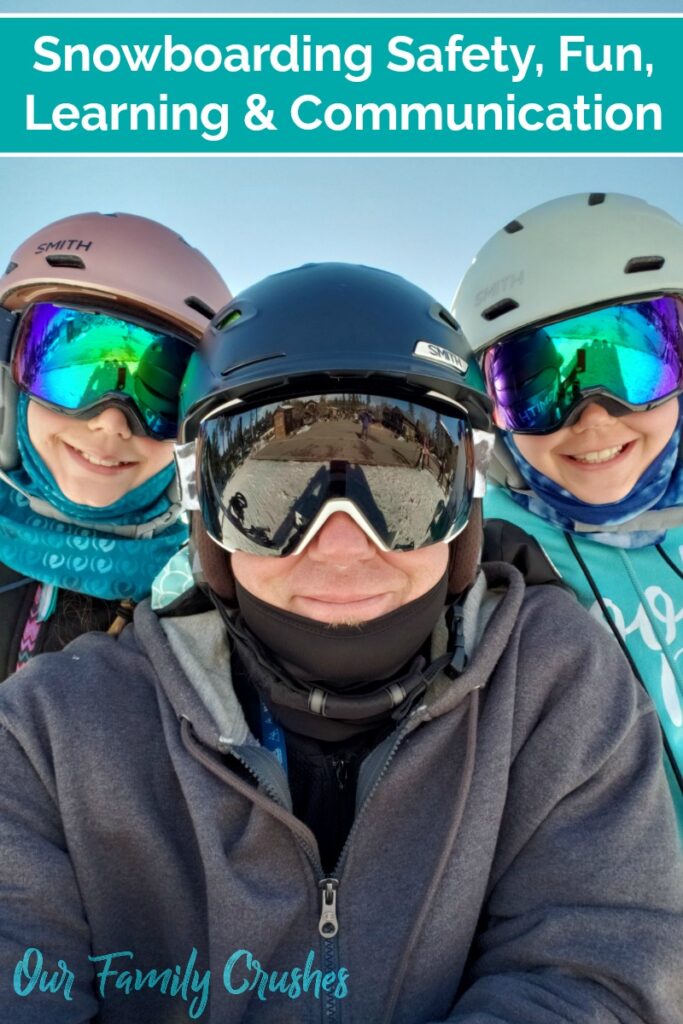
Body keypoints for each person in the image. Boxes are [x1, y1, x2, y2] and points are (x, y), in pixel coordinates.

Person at [0, 262, 681, 1023]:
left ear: (465, 504)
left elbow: (597, 974)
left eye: (403, 485)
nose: (340, 544)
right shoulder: (52, 738)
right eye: (272, 489)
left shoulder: (557, 687)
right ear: (211, 522)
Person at [452, 191, 683, 832]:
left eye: (633, 364)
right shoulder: (479, 557)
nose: (594, 416)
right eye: (534, 385)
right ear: (490, 411)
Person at [0, 211, 231, 677]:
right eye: (76, 372)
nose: (110, 421)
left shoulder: (214, 605)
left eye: (163, 395)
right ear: (10, 385)